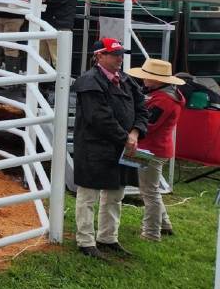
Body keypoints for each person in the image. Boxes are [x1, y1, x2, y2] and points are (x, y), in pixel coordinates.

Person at [73, 38, 148, 260]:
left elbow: (142, 108)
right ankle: (85, 241)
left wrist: (134, 134)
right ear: (99, 56)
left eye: (120, 54)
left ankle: (107, 237)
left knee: (116, 193)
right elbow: (99, 117)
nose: (119, 58)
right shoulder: (89, 81)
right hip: (94, 146)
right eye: (114, 54)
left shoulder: (126, 80)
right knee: (88, 194)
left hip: (123, 146)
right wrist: (126, 138)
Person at [125, 58, 184, 242]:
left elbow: (148, 125)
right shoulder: (168, 95)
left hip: (151, 149)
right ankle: (164, 225)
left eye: (148, 77)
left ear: (158, 80)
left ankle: (151, 233)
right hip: (155, 148)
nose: (144, 80)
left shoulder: (163, 100)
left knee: (149, 192)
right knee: (151, 190)